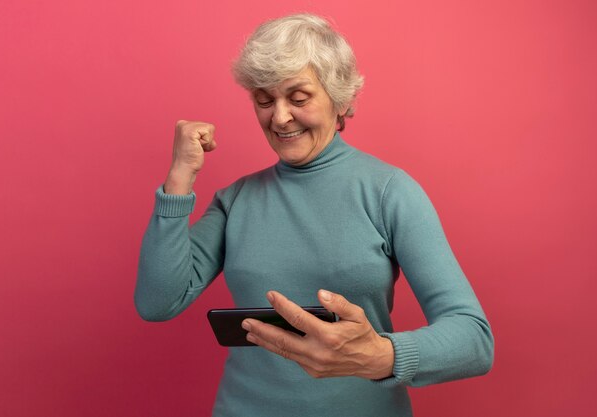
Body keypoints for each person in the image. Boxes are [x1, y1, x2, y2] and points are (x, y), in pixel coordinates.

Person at [135, 13, 494, 417]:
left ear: (339, 98)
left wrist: (380, 355)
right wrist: (179, 179)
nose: (280, 117)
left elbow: (473, 339)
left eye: (299, 97)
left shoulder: (389, 192)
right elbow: (157, 302)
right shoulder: (236, 201)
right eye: (264, 100)